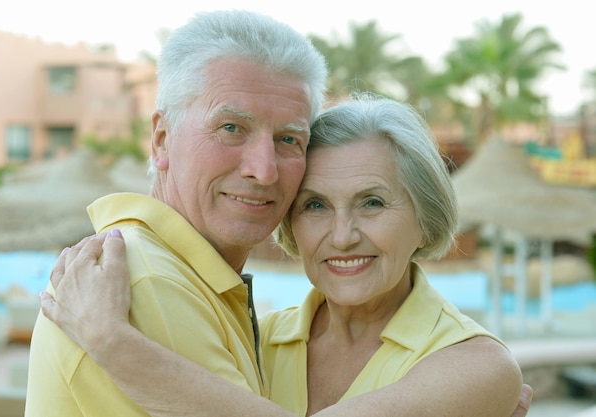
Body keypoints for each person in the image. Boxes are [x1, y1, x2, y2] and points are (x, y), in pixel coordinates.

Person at [41, 93, 533, 417]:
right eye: (315, 205)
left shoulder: (476, 364)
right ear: (291, 222)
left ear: (425, 218)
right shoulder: (258, 339)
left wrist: (113, 344)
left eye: (372, 202)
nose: (342, 236)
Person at [25, 9, 328, 416]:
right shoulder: (146, 282)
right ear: (162, 140)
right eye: (231, 128)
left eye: (289, 139)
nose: (264, 169)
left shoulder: (189, 275)